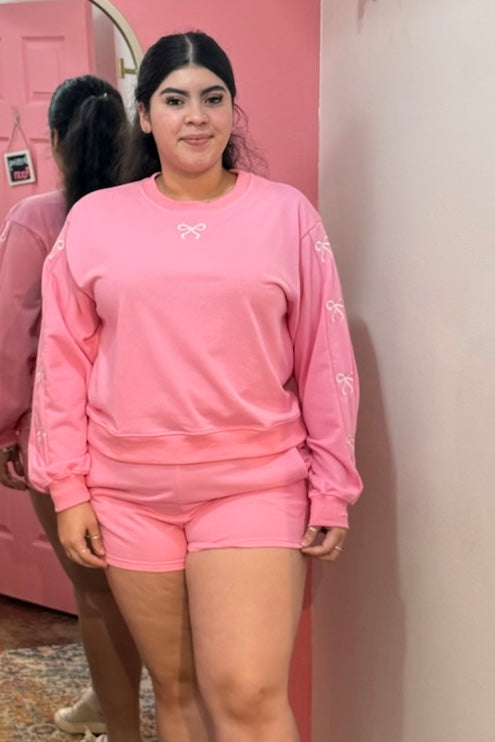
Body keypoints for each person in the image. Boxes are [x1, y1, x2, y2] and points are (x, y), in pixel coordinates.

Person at [28, 33, 363, 742]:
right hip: (127, 494)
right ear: (145, 115)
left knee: (247, 696)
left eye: (213, 98)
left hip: (254, 484)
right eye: (174, 100)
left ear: (232, 110)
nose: (196, 116)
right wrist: (69, 489)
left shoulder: (286, 216)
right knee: (176, 695)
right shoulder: (95, 220)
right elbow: (61, 362)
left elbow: (323, 355)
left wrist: (333, 483)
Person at [0, 75, 143, 742]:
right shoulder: (149, 210)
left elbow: (12, 332)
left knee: (95, 592)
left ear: (55, 138)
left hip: (61, 436)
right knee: (145, 583)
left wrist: (5, 425)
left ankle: (117, 722)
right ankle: (103, 699)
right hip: (139, 429)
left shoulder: (36, 218)